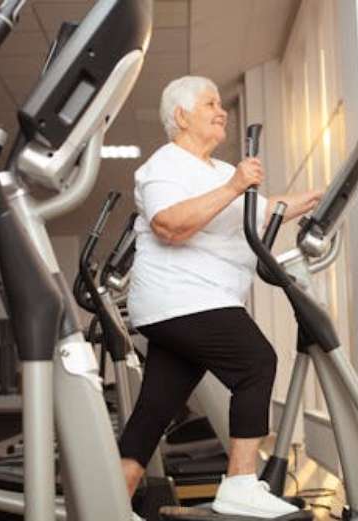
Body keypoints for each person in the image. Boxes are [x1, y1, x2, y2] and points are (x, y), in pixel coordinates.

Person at [118, 75, 323, 518]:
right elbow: (169, 225)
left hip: (193, 303)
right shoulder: (165, 165)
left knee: (154, 411)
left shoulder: (220, 172)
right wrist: (235, 187)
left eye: (220, 103)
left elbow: (267, 209)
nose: (221, 110)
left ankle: (108, 505)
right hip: (182, 300)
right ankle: (240, 483)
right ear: (181, 116)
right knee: (257, 362)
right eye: (210, 103)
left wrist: (321, 197)